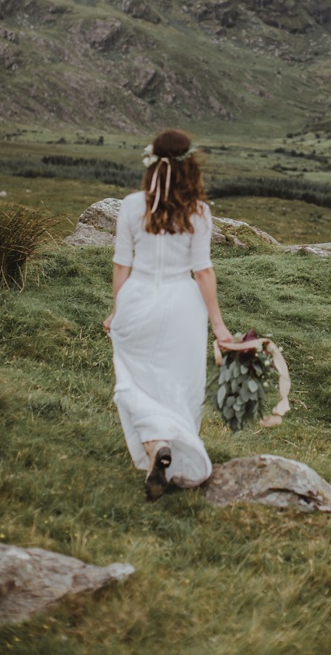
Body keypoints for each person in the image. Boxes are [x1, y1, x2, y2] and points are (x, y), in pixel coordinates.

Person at [103, 129, 233, 501]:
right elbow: (203, 270)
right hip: (182, 305)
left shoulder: (130, 206)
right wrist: (219, 327)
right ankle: (170, 458)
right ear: (190, 165)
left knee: (133, 382)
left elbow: (120, 265)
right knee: (179, 384)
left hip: (137, 298)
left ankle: (155, 446)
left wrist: (117, 310)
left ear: (151, 162)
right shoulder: (199, 212)